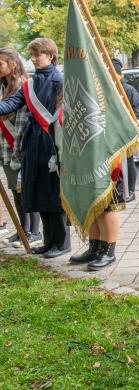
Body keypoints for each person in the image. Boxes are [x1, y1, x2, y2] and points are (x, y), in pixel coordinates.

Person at [68, 58, 139, 270]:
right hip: (89, 155)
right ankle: (95, 246)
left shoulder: (120, 92)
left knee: (107, 205)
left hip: (109, 157)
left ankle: (109, 250)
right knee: (93, 201)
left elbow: (128, 121)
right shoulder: (91, 89)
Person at [0, 38, 70, 258]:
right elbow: (11, 104)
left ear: (50, 55)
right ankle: (49, 242)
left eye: (37, 54)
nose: (33, 59)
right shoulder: (31, 83)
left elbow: (62, 114)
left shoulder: (59, 80)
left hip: (51, 143)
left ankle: (63, 243)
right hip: (33, 144)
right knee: (40, 193)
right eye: (31, 55)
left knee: (53, 195)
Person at [0, 47, 42, 246]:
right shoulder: (2, 86)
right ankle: (22, 230)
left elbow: (22, 123)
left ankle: (34, 232)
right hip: (5, 148)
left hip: (20, 146)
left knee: (25, 189)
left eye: (0, 63)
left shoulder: (23, 86)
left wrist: (18, 149)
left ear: (13, 64)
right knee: (15, 190)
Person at [112, 58, 139, 203]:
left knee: (128, 162)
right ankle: (119, 190)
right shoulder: (108, 89)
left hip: (126, 132)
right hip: (112, 133)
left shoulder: (129, 90)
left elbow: (136, 112)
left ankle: (130, 190)